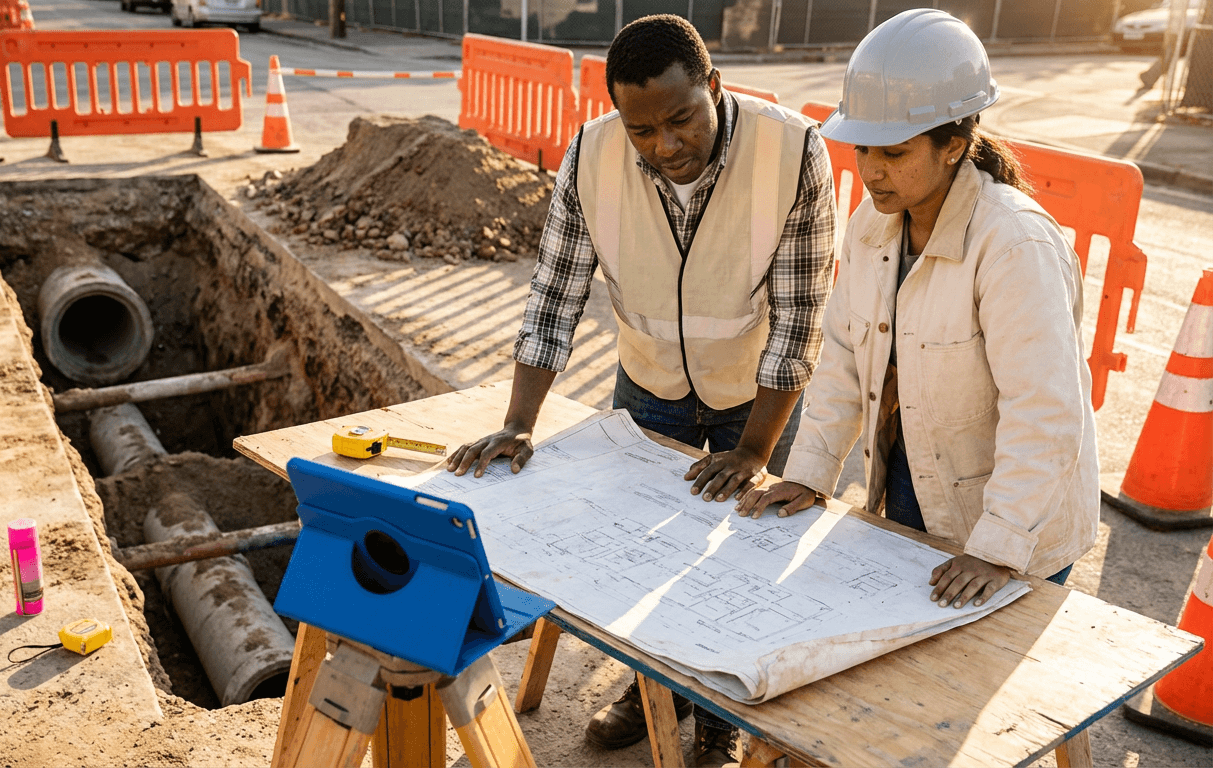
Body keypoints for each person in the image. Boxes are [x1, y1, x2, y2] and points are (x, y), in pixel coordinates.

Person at [446, 14, 837, 766]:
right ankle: (653, 687)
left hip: (754, 392)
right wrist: (520, 422)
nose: (665, 145)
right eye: (642, 130)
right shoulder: (591, 154)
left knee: (739, 554)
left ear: (714, 86)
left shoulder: (792, 151)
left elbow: (797, 322)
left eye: (682, 119)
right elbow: (554, 295)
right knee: (640, 546)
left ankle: (721, 713)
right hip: (650, 380)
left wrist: (755, 450)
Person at [742, 9, 1099, 613]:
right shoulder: (872, 223)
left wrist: (997, 548)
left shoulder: (1014, 245)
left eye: (894, 152)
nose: (871, 171)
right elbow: (844, 361)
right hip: (914, 484)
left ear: (953, 146)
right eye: (863, 148)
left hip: (1018, 520)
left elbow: (1043, 412)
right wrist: (808, 472)